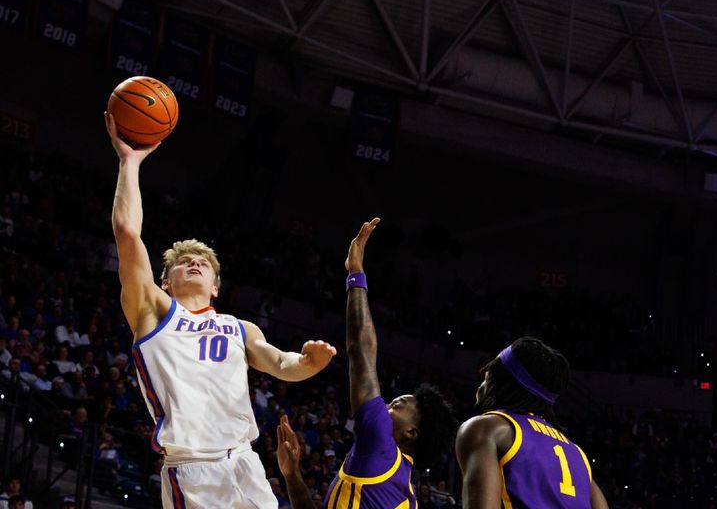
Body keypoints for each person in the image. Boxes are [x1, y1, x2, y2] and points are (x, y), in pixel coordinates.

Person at [105, 112, 337, 508]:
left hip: (245, 463)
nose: (194, 263)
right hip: (194, 469)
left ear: (216, 285)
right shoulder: (152, 313)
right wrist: (130, 162)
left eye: (204, 263)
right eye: (183, 263)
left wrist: (308, 364)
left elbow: (281, 364)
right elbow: (127, 234)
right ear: (165, 282)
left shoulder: (239, 328)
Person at [277, 219, 459, 508]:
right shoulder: (398, 488)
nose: (384, 405)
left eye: (396, 406)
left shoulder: (381, 450)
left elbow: (361, 352)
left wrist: (356, 273)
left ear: (410, 433)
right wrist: (292, 474)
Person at [456, 336, 609, 508]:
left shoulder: (488, 428)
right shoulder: (578, 455)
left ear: (506, 378)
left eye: (493, 368)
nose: (484, 372)